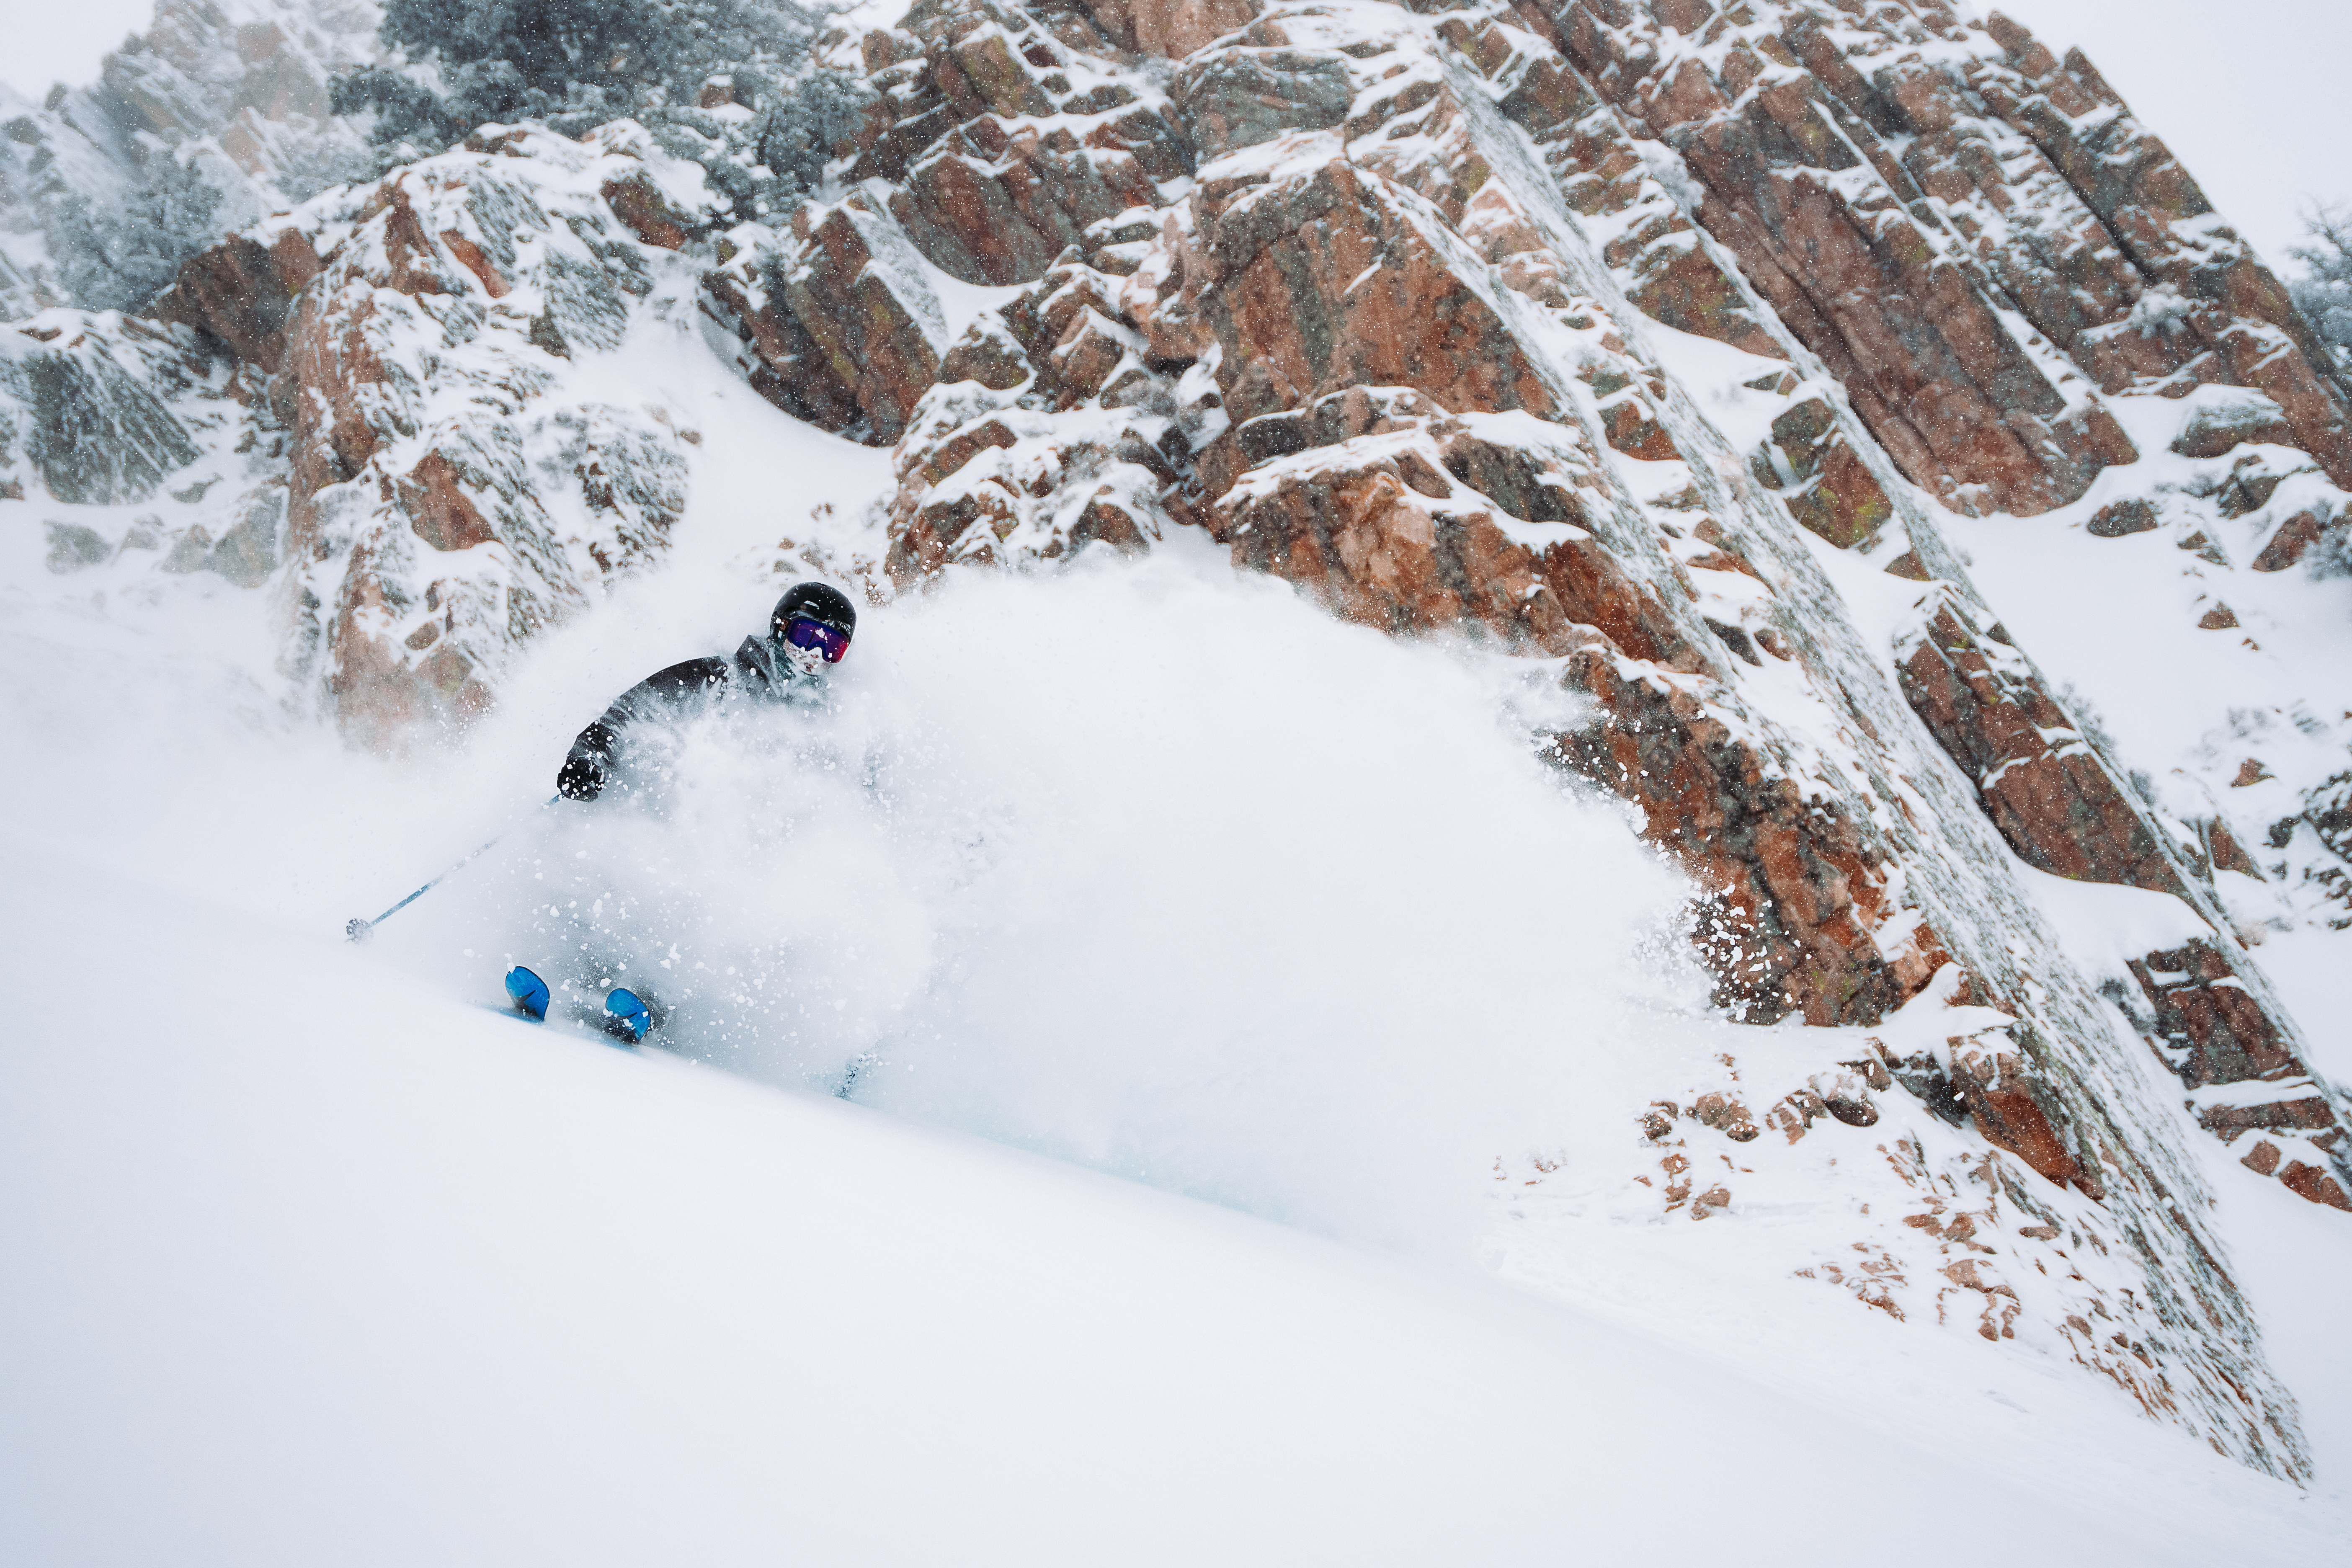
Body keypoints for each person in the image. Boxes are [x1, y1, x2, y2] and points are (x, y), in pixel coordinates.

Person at [503, 582, 859, 1041]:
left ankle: (649, 1006)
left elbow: (841, 806)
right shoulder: (716, 679)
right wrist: (590, 760)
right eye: (807, 636)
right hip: (661, 822)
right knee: (620, 876)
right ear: (780, 628)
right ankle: (560, 976)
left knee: (724, 914)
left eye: (832, 648)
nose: (814, 656)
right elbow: (630, 712)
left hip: (742, 863)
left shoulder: (826, 728)